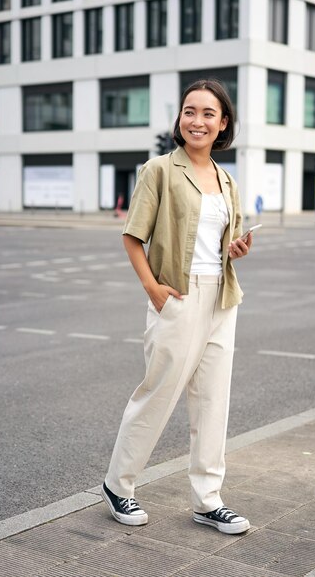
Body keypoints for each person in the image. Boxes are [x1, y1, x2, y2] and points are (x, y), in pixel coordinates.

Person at [101, 79, 253, 535]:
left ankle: (208, 500)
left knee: (212, 402)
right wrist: (152, 288)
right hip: (178, 295)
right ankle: (118, 484)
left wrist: (237, 249)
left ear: (223, 123)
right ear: (180, 119)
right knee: (158, 392)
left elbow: (219, 244)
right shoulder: (160, 170)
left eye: (208, 113)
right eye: (190, 111)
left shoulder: (226, 180)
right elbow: (133, 235)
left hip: (222, 298)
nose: (197, 121)